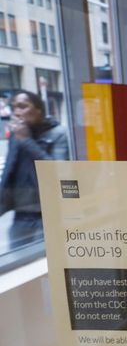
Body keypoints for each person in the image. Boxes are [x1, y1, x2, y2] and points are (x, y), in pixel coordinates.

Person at [0, 90, 69, 247]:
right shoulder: (16, 134)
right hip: (20, 213)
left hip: (46, 214)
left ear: (39, 110)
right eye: (14, 107)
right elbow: (10, 170)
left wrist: (26, 141)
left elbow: (57, 172)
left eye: (23, 106)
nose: (17, 112)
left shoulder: (57, 133)